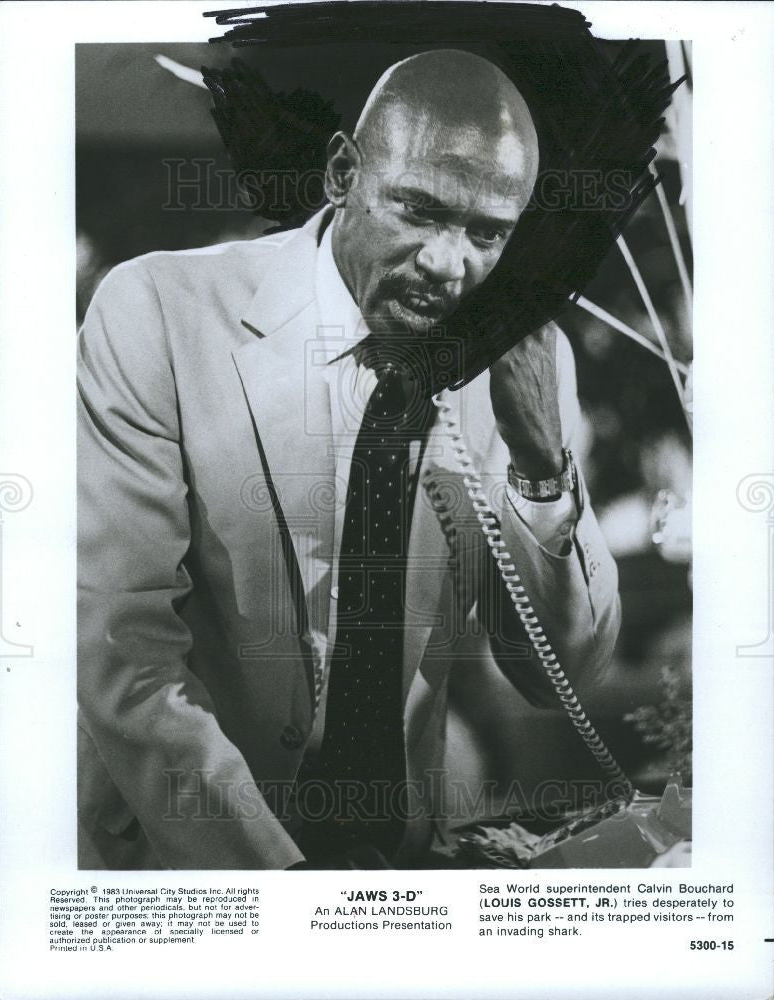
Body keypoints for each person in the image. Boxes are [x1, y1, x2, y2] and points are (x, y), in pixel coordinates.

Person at [77, 49, 620, 870]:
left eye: (485, 233)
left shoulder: (516, 367)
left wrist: (540, 464)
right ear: (341, 172)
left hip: (393, 867)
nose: (448, 265)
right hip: (190, 865)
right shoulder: (155, 311)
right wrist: (286, 890)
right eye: (418, 211)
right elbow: (125, 652)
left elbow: (562, 676)